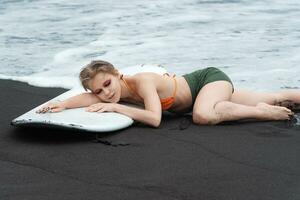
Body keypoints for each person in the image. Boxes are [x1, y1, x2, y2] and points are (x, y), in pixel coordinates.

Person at [37, 60, 298, 128]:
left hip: (207, 80)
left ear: (117, 74)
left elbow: (154, 119)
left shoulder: (142, 82)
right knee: (275, 95)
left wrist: (117, 109)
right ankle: (268, 104)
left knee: (203, 115)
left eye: (107, 83)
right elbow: (85, 98)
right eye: (100, 91)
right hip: (203, 92)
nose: (105, 93)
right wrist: (60, 105)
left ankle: (262, 112)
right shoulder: (112, 93)